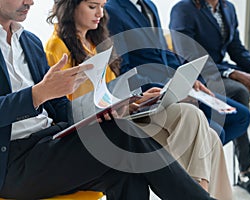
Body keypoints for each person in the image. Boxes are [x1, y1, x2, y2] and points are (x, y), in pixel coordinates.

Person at [0, 0, 218, 199]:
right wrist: (39, 93)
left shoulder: (29, 42)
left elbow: (57, 108)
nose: (30, 1)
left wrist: (104, 109)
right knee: (120, 135)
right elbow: (41, 95)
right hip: (12, 160)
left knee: (127, 171)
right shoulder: (51, 45)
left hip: (48, 142)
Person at [169, 0, 250, 198]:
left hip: (225, 72)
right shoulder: (183, 10)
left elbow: (236, 49)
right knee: (240, 91)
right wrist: (232, 73)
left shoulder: (227, 8)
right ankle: (246, 170)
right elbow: (189, 57)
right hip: (202, 79)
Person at [104, 0, 250, 147]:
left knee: (241, 117)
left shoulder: (149, 5)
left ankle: (191, 161)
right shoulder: (111, 10)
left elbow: (164, 53)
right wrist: (168, 90)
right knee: (215, 132)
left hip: (172, 82)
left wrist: (185, 78)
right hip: (152, 89)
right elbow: (123, 70)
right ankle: (191, 161)